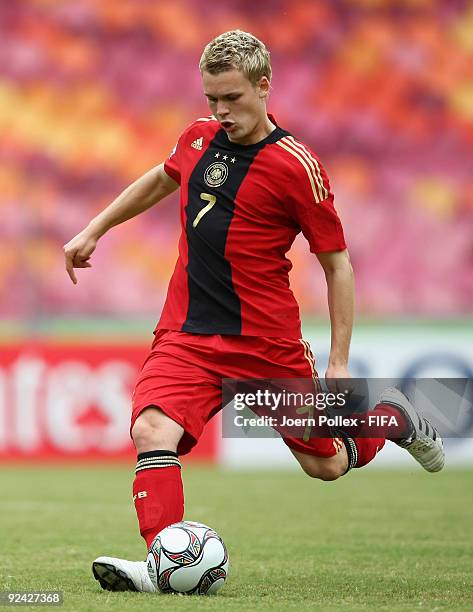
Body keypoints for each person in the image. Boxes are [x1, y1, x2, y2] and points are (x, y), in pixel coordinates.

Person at [63, 30, 445, 593]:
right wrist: (96, 228)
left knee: (327, 466)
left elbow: (338, 267)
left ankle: (389, 418)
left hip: (265, 345)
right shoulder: (197, 138)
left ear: (264, 86)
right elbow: (163, 176)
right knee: (151, 429)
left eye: (232, 99)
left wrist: (339, 363)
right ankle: (163, 565)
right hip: (187, 335)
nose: (220, 112)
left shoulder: (297, 167)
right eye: (211, 99)